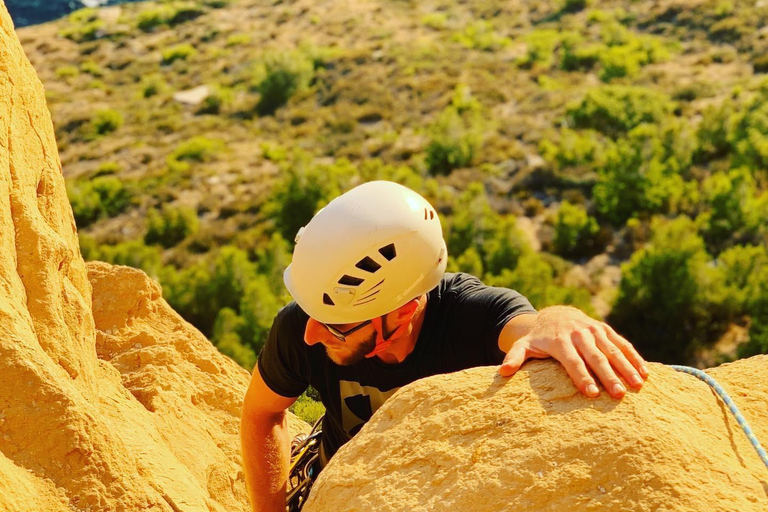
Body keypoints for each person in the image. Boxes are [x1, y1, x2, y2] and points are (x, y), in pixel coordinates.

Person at [240, 181, 649, 511]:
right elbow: (262, 413)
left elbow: (524, 326)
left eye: (337, 327)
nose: (311, 334)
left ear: (402, 313)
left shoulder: (467, 315)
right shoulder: (301, 325)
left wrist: (558, 318)